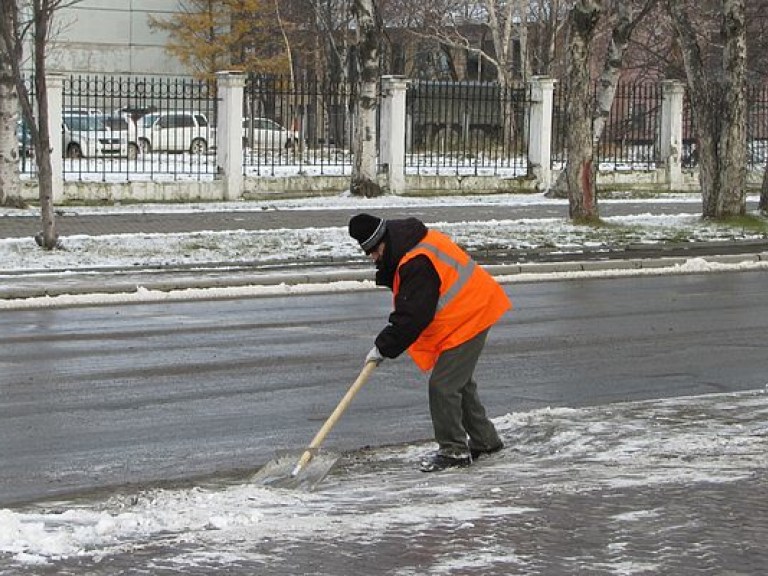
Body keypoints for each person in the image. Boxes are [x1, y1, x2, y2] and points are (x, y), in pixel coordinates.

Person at [348, 213, 512, 472]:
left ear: (384, 242)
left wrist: (384, 346)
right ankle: (486, 441)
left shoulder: (417, 261)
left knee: (443, 386)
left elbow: (412, 317)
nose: (373, 258)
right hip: (466, 311)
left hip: (471, 313)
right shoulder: (408, 245)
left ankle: (454, 451)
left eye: (373, 252)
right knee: (459, 383)